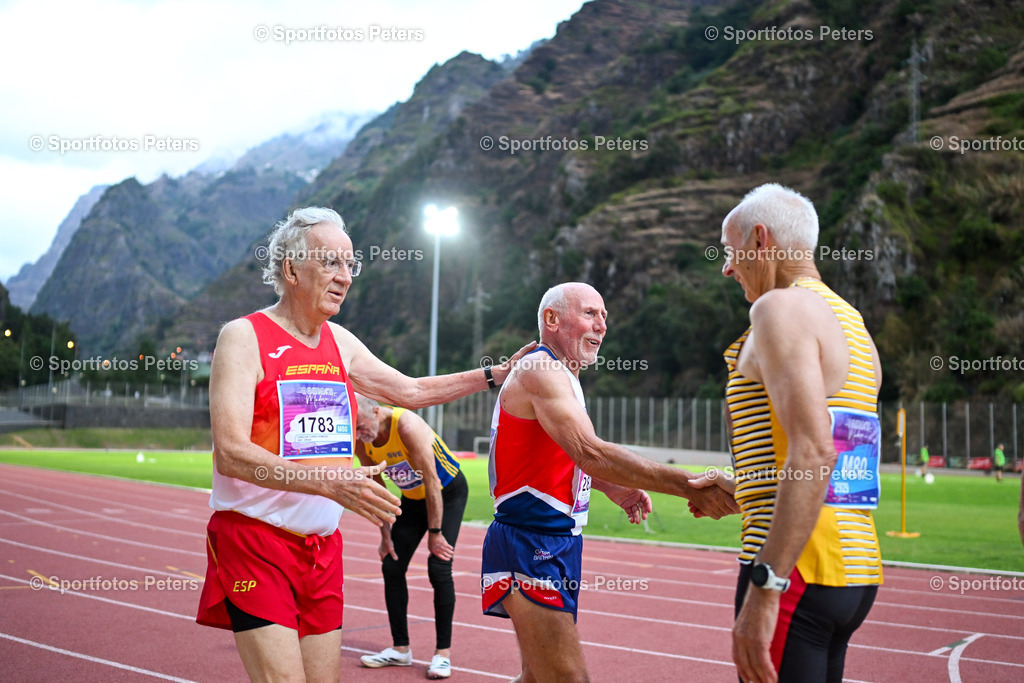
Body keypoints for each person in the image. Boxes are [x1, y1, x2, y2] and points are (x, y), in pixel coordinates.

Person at [195, 207, 532, 682]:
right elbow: (230, 452)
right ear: (291, 269)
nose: (345, 277)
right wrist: (329, 482)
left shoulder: (340, 342)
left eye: (350, 265)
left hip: (321, 549)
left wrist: (493, 375)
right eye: (331, 262)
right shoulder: (243, 337)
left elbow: (410, 392)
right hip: (255, 541)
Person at [480, 282, 739, 682]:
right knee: (569, 679)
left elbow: (559, 457)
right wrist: (692, 484)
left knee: (537, 678)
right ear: (552, 319)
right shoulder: (541, 370)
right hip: (529, 545)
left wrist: (606, 485)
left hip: (558, 543)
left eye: (604, 316)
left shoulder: (563, 375)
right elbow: (591, 452)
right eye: (589, 313)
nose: (602, 325)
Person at [696, 184, 885, 683]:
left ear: (760, 240)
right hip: (853, 569)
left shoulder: (778, 310)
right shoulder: (854, 326)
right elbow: (845, 465)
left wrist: (766, 582)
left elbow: (814, 450)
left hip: (794, 570)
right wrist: (747, 488)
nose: (727, 266)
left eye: (730, 249)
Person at [354, 394, 467, 679]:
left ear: (377, 412)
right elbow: (377, 488)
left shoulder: (407, 427)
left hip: (447, 491)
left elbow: (432, 481)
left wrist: (435, 533)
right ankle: (400, 649)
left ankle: (443, 655)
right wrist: (385, 535)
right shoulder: (362, 442)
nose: (358, 434)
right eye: (353, 430)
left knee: (438, 566)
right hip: (413, 499)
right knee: (392, 564)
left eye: (361, 426)